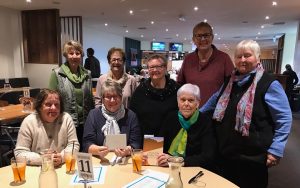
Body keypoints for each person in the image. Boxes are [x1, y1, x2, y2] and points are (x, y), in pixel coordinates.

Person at [201, 40, 292, 188]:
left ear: (258, 58)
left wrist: (276, 149)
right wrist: (196, 117)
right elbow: (213, 101)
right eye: (238, 56)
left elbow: (284, 118)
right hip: (225, 154)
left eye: (247, 55)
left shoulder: (268, 84)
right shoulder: (230, 81)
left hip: (252, 158)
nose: (242, 60)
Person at [155, 83, 216, 170]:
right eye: (183, 100)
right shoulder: (170, 118)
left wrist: (177, 161)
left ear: (198, 103)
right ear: (178, 101)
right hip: (168, 167)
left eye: (191, 100)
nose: (186, 104)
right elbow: (159, 145)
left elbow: (208, 157)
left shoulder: (205, 122)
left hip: (194, 169)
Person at [14, 89, 79, 167]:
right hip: (38, 169)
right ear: (40, 106)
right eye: (48, 104)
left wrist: (62, 157)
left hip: (63, 167)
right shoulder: (29, 121)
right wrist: (44, 159)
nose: (53, 108)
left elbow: (74, 145)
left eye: (57, 104)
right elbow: (19, 153)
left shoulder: (66, 118)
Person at [49, 40, 94, 150]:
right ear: (66, 55)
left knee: (85, 153)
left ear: (81, 55)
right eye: (71, 53)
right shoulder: (56, 74)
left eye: (77, 53)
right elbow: (51, 101)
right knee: (70, 154)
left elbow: (90, 100)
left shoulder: (87, 74)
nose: (74, 56)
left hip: (86, 123)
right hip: (65, 122)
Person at [177, 22, 234, 107]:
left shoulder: (224, 59)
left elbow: (232, 87)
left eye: (206, 35)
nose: (203, 39)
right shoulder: (188, 59)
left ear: (212, 37)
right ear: (193, 39)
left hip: (216, 114)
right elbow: (180, 86)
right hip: (192, 114)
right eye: (199, 36)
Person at [83, 80, 142, 158]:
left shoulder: (131, 116)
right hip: (99, 160)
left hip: (124, 160)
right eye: (108, 97)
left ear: (121, 97)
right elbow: (87, 143)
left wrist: (127, 150)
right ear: (103, 99)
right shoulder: (93, 115)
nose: (112, 100)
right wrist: (96, 150)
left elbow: (136, 143)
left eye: (115, 96)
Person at [130, 54, 180, 136]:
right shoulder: (141, 91)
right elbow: (134, 116)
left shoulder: (177, 89)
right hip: (149, 139)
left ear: (165, 68)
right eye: (151, 67)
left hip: (173, 137)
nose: (155, 70)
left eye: (158, 66)